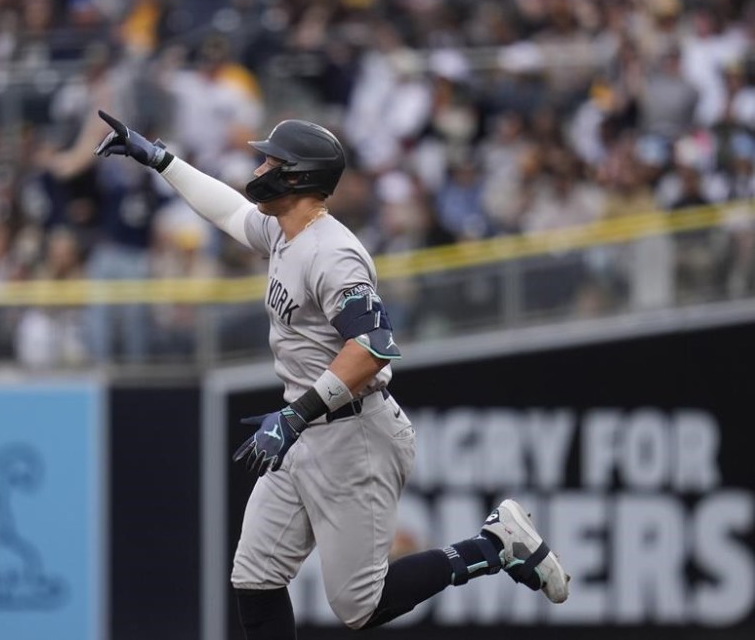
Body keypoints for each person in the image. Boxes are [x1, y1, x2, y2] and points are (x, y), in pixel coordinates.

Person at [94, 110, 570, 637]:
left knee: (360, 606)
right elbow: (229, 212)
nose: (259, 166)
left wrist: (296, 416)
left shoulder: (334, 252)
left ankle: (495, 546)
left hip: (352, 432)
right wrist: (162, 160)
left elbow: (373, 347)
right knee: (255, 575)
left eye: (271, 159)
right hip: (307, 427)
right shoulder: (285, 230)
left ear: (296, 177)